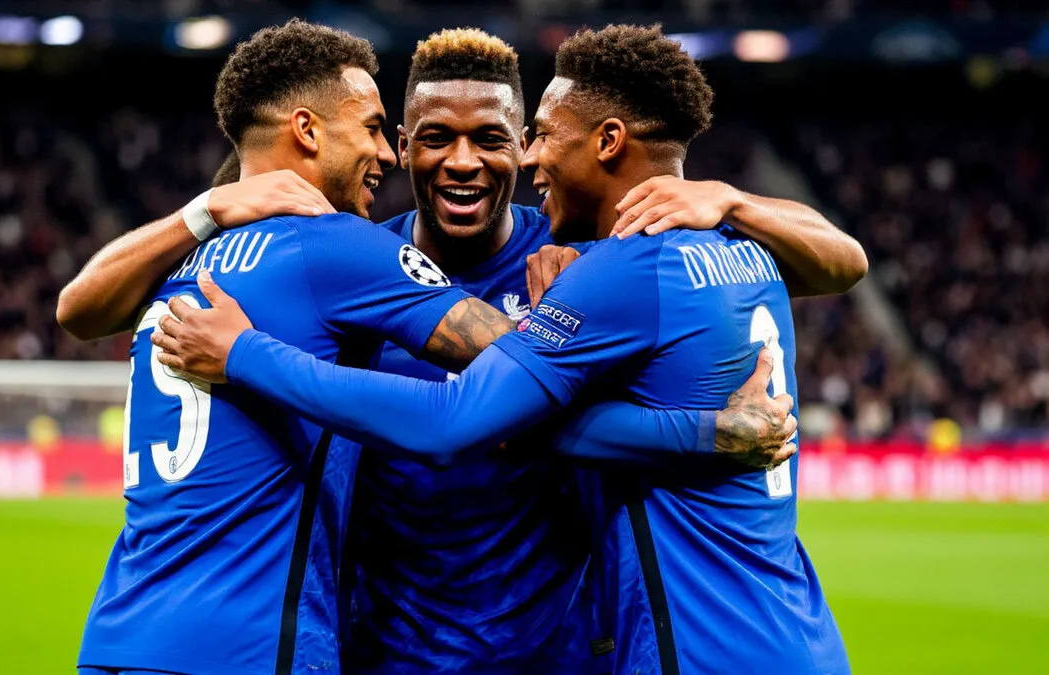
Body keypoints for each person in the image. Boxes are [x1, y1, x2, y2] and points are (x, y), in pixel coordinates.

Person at [64, 26, 863, 675]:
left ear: (518, 147)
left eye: (496, 139)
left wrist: (732, 198)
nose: (461, 160)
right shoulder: (355, 259)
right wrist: (702, 434)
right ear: (409, 145)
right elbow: (471, 410)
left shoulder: (583, 262)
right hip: (382, 644)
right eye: (422, 137)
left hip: (555, 648)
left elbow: (841, 261)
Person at [74, 21, 518, 675]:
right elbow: (524, 365)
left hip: (119, 631)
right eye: (370, 127)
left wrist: (202, 210)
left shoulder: (178, 260)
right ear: (307, 131)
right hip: (246, 644)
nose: (386, 153)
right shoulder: (336, 244)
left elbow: (76, 309)